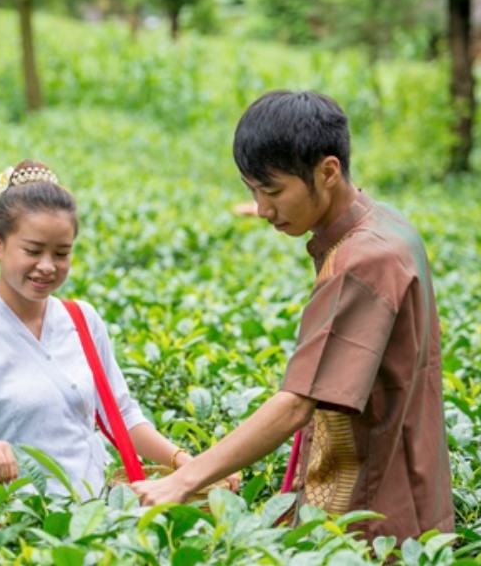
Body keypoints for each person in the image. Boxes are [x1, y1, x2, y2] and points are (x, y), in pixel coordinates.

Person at [132, 91, 454, 542]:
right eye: (253, 191)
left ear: (327, 172)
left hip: (372, 514)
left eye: (274, 191)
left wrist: (183, 479)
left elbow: (296, 403)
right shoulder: (388, 225)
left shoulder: (360, 262)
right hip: (411, 488)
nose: (263, 209)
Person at [0, 160, 236, 497]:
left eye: (62, 253)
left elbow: (121, 414)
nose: (48, 266)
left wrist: (186, 462)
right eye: (33, 251)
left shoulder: (82, 319)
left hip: (98, 520)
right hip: (26, 527)